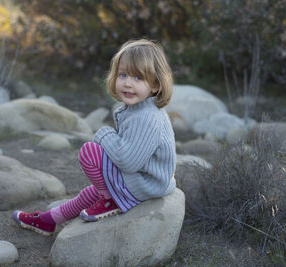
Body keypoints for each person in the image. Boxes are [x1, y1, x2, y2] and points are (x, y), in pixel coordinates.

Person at [12, 39, 177, 236]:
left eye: (138, 78)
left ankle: (111, 200)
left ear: (156, 85)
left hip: (146, 184)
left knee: (90, 152)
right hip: (144, 179)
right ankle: (48, 220)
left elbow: (128, 161)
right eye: (123, 75)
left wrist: (104, 134)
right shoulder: (138, 110)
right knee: (91, 192)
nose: (127, 83)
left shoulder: (146, 117)